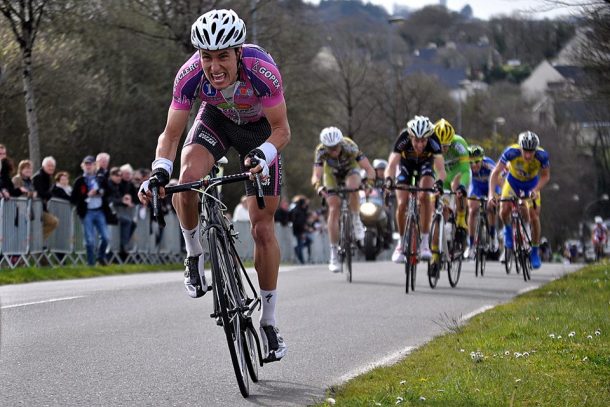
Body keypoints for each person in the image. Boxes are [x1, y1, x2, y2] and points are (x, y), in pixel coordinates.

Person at [138, 9, 290, 362]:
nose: (214, 66)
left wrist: (262, 155)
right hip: (216, 122)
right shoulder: (190, 75)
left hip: (260, 133)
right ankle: (194, 253)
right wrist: (160, 170)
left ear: (239, 52)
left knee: (262, 229)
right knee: (186, 180)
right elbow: (171, 134)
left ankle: (268, 322)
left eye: (223, 56)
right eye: (207, 57)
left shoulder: (263, 69)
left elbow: (282, 130)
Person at [310, 126, 375, 272]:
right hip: (331, 173)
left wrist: (369, 184)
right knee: (333, 207)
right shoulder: (321, 151)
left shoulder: (350, 146)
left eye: (335, 147)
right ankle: (333, 254)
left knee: (353, 187)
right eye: (329, 148)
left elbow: (369, 169)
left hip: (350, 170)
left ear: (340, 144)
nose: (333, 151)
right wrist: (319, 187)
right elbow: (316, 175)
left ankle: (356, 219)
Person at [385, 115, 446, 262]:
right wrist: (388, 180)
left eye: (423, 141)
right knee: (401, 203)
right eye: (416, 140)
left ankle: (425, 244)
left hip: (425, 164)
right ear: (411, 136)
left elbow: (441, 170)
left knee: (425, 196)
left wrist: (439, 183)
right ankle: (400, 243)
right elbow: (392, 164)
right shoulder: (404, 138)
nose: (420, 145)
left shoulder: (434, 141)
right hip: (406, 165)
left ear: (428, 138)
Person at [489, 131, 550, 269]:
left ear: (536, 150)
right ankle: (508, 232)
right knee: (504, 210)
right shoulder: (511, 152)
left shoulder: (542, 156)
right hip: (513, 183)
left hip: (532, 185)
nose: (528, 155)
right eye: (525, 151)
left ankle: (534, 252)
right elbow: (495, 173)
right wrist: (491, 194)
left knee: (534, 216)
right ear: (520, 148)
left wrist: (536, 190)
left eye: (531, 152)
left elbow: (546, 176)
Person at [71, 155, 111, 266]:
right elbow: (73, 198)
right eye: (86, 164)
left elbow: (109, 191)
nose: (88, 166)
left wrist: (99, 192)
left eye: (91, 164)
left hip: (100, 211)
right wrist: (86, 195)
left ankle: (100, 257)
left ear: (95, 166)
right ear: (82, 166)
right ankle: (91, 263)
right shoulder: (79, 181)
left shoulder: (101, 179)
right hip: (87, 212)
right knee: (89, 240)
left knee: (105, 237)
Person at [434, 118, 470, 234]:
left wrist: (462, 186)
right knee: (444, 206)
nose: (442, 150)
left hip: (458, 172)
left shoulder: (459, 143)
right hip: (443, 174)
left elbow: (465, 169)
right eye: (440, 146)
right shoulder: (430, 144)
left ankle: (461, 217)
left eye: (445, 146)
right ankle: (440, 233)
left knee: (458, 188)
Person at [464, 145, 499, 258]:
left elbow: (499, 177)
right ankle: (471, 244)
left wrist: (496, 195)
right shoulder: (466, 167)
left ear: (482, 159)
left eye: (477, 161)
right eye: (471, 162)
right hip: (477, 188)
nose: (474, 165)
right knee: (472, 209)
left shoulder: (489, 164)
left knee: (491, 207)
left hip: (491, 187)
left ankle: (493, 236)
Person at [32, 156, 59, 240]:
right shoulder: (38, 177)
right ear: (43, 166)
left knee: (53, 222)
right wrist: (51, 194)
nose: (51, 168)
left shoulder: (47, 177)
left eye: (52, 166)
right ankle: (35, 240)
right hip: (34, 207)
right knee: (53, 221)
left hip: (41, 207)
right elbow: (40, 192)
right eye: (49, 166)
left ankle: (36, 241)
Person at [289, 195, 312, 264]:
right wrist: (302, 231)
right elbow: (299, 222)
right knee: (300, 245)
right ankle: (301, 260)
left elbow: (305, 211)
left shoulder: (300, 210)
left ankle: (300, 256)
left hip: (299, 230)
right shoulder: (298, 211)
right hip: (299, 230)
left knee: (305, 242)